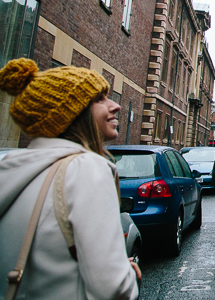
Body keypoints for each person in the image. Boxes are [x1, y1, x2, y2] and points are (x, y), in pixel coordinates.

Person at [0, 58, 140, 299]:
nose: (115, 106)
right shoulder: (88, 169)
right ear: (72, 112)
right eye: (99, 99)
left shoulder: (9, 166)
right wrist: (126, 274)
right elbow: (112, 287)